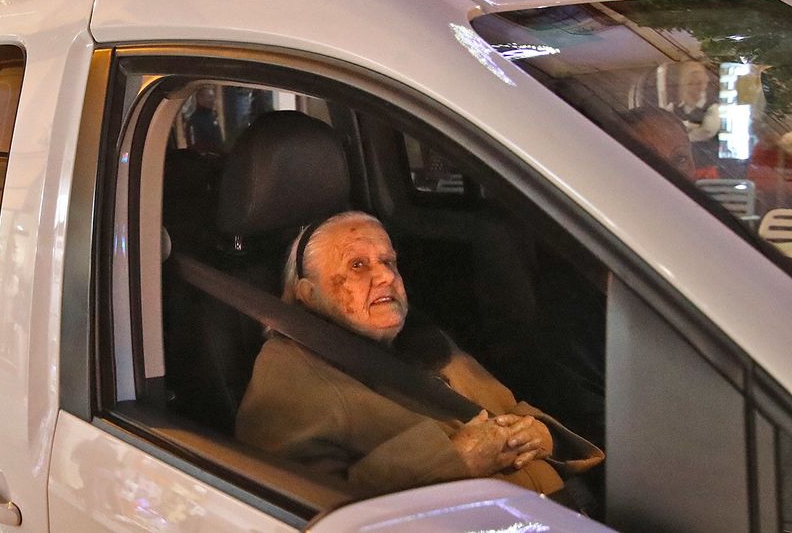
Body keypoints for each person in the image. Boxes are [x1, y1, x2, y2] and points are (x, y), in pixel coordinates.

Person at [234, 211, 602, 500]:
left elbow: (507, 411)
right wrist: (454, 461)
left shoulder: (426, 341)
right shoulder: (287, 374)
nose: (385, 276)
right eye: (358, 265)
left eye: (389, 262)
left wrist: (543, 434)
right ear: (307, 294)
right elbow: (302, 505)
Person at [188, 86, 223, 154]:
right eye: (210, 97)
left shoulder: (212, 116)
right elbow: (194, 146)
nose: (213, 100)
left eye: (213, 97)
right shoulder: (194, 120)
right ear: (200, 99)